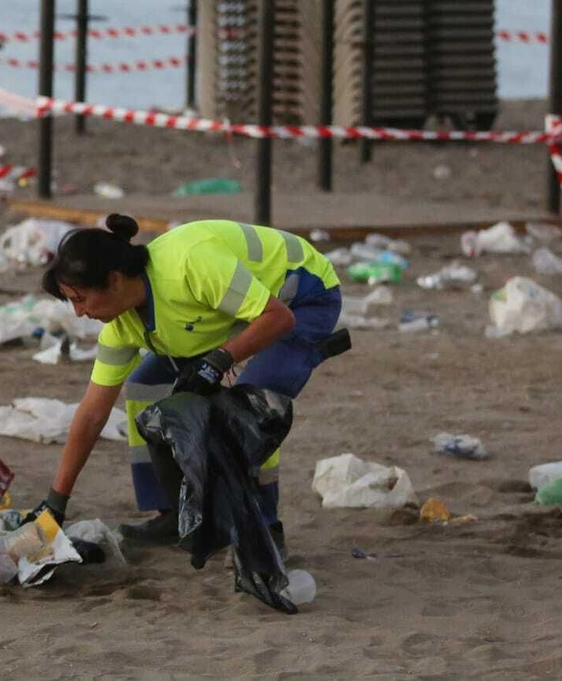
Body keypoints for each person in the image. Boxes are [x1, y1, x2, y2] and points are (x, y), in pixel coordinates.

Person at [28, 214, 342, 557]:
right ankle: (175, 514)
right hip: (233, 312)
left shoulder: (190, 265)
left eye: (80, 298)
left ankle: (265, 531)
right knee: (146, 385)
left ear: (114, 280)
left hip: (302, 296)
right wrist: (55, 504)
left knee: (250, 408)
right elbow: (92, 414)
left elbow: (278, 317)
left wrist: (221, 359)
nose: (77, 313)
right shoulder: (121, 327)